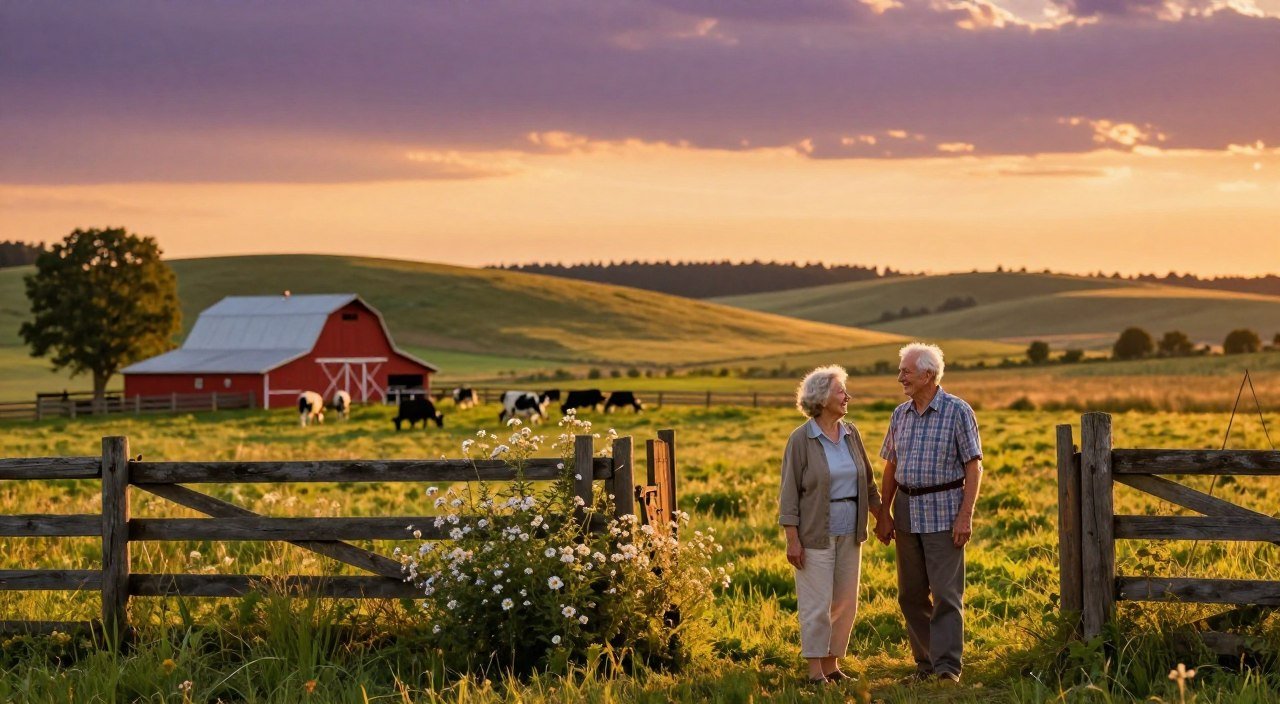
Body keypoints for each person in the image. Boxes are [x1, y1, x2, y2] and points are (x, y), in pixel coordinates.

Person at [875, 343, 983, 684]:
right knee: (910, 594)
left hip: (944, 512)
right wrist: (884, 512)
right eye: (901, 371)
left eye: (906, 372)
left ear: (928, 375)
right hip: (906, 512)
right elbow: (891, 466)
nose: (900, 378)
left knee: (946, 594)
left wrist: (965, 515)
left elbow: (974, 467)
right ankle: (926, 665)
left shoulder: (958, 411)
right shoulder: (899, 414)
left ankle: (948, 669)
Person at [778, 365, 883, 684]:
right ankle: (814, 673)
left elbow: (868, 483)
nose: (847, 396)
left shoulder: (852, 433)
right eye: (841, 391)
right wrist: (792, 539)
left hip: (851, 533)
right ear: (822, 398)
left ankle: (831, 666)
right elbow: (789, 493)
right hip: (813, 535)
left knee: (844, 603)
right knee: (816, 604)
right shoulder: (801, 439)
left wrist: (883, 518)